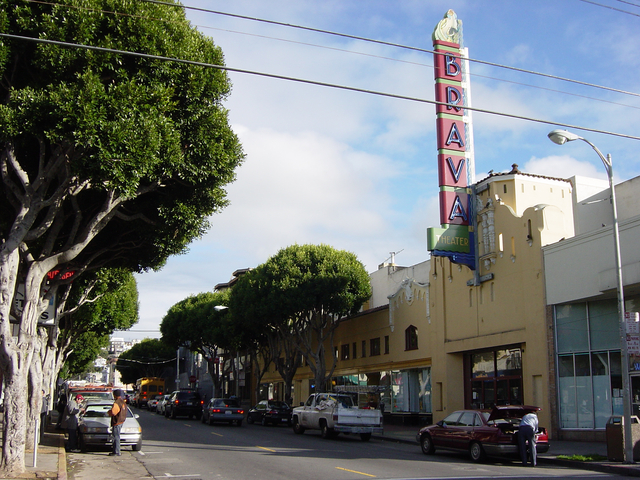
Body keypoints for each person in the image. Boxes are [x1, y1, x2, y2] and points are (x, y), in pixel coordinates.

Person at [108, 389, 127, 456]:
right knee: (117, 436)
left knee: (116, 437)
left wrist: (109, 412)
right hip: (121, 421)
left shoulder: (117, 402)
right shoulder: (123, 402)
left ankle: (116, 452)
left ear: (115, 395)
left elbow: (113, 412)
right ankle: (116, 451)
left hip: (117, 422)